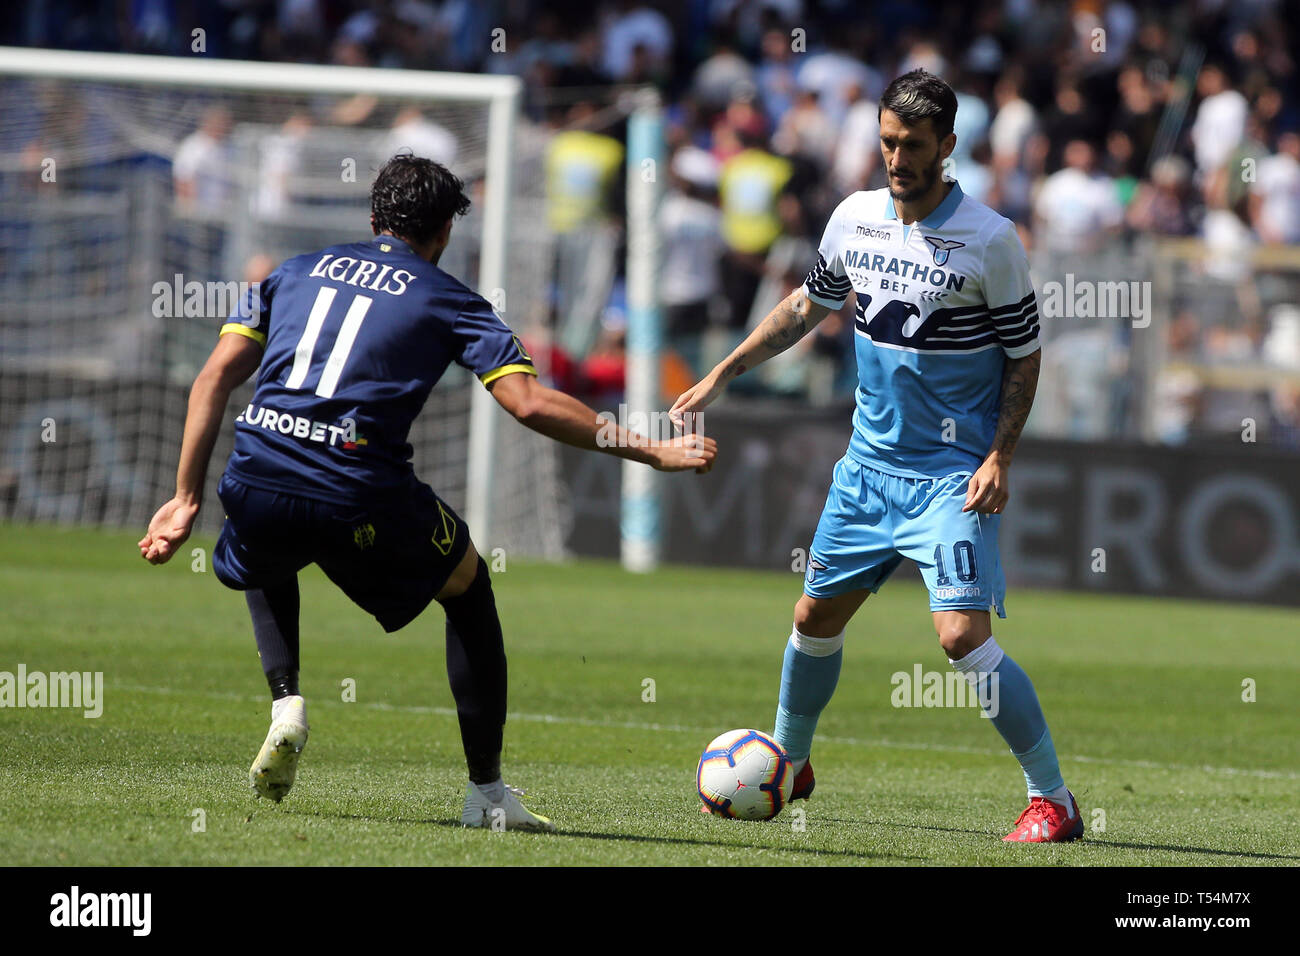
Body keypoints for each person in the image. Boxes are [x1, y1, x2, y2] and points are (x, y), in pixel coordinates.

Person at [139, 155, 715, 832]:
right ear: (444, 231)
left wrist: (185, 495)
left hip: (257, 467)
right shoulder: (450, 298)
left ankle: (287, 703)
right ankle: (487, 794)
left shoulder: (291, 273)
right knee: (467, 587)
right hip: (357, 488)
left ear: (374, 218)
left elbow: (212, 378)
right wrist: (646, 448)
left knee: (267, 540)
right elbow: (527, 404)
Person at [672, 70, 1082, 843]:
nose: (897, 158)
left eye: (914, 146)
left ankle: (1052, 800)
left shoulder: (991, 240)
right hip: (866, 472)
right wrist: (725, 372)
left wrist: (1000, 456)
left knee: (961, 638)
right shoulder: (854, 219)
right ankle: (790, 763)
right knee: (813, 617)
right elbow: (805, 306)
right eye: (888, 142)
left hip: (948, 479)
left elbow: (1025, 358)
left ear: (948, 148)